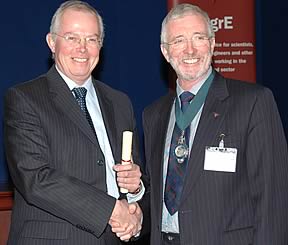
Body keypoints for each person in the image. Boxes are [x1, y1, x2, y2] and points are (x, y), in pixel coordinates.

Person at [142, 3, 288, 245]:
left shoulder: (253, 102)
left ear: (212, 44)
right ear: (166, 52)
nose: (190, 50)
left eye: (198, 38)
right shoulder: (153, 115)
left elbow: (274, 198)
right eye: (178, 40)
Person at [4, 1, 144, 244]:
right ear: (51, 42)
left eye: (92, 39)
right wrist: (112, 210)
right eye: (71, 38)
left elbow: (132, 176)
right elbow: (36, 178)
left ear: (100, 45)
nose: (82, 49)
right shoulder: (25, 99)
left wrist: (135, 195)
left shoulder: (120, 102)